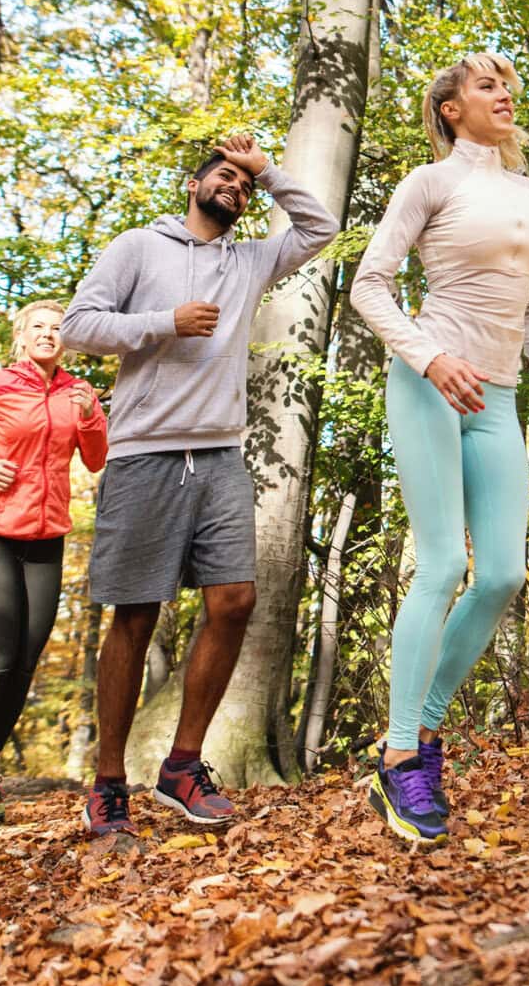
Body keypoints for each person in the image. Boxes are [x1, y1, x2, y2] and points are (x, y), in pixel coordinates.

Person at [60, 134, 335, 835]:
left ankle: (182, 766)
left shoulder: (250, 260)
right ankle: (109, 780)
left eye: (244, 185)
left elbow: (320, 228)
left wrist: (268, 169)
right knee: (135, 614)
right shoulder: (137, 247)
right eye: (224, 177)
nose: (234, 188)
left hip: (219, 454)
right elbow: (78, 327)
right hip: (143, 452)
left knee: (235, 601)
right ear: (193, 184)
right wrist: (164, 324)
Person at [350, 54, 529, 844]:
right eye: (486, 85)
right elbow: (369, 284)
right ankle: (401, 753)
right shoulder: (429, 183)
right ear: (451, 109)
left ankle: (418, 732)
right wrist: (429, 358)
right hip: (431, 382)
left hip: (499, 396)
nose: (504, 93)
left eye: (506, 84)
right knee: (444, 563)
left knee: (503, 574)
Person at [0, 301, 108, 828]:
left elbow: (95, 458)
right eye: (39, 328)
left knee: (27, 660)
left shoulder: (79, 391)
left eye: (57, 329)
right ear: (22, 336)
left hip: (47, 537)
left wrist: (89, 417)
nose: (48, 335)